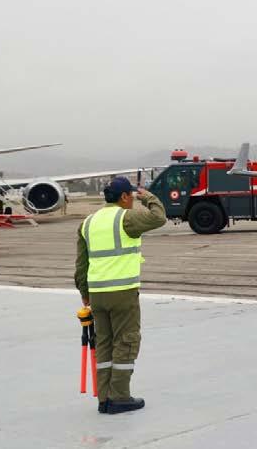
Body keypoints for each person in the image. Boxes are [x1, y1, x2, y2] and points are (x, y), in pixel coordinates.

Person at [75, 177, 166, 414]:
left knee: (104, 343)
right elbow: (159, 217)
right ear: (124, 197)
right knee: (126, 341)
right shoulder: (126, 218)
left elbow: (81, 265)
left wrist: (85, 294)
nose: (133, 200)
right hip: (122, 293)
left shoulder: (88, 222)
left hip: (97, 294)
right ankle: (120, 397)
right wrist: (147, 196)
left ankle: (104, 398)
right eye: (132, 196)